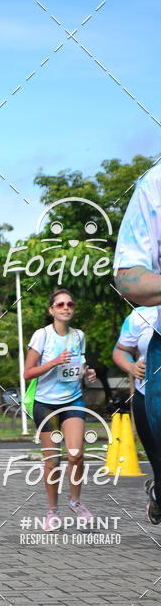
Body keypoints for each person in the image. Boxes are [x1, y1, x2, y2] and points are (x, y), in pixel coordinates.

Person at [24, 288, 97, 531]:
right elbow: (27, 373)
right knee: (52, 462)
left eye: (70, 304)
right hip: (46, 404)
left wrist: (88, 373)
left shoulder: (79, 336)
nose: (66, 308)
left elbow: (78, 366)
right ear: (52, 310)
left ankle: (75, 502)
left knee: (76, 454)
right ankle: (52, 511)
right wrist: (54, 362)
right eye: (61, 305)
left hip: (73, 400)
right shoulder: (42, 336)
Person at [114, 164, 161, 446]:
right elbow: (127, 279)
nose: (66, 307)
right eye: (61, 304)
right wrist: (131, 368)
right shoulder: (154, 183)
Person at [112, 305, 161, 523]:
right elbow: (120, 350)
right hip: (147, 397)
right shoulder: (141, 314)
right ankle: (157, 495)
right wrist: (131, 367)